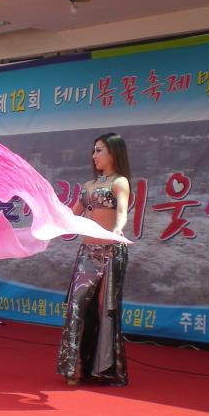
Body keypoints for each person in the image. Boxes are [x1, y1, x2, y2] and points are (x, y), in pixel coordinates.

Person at [57, 132, 132, 387]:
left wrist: (118, 229)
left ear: (113, 152)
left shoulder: (119, 182)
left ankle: (106, 370)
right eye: (94, 150)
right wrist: (49, 216)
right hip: (87, 254)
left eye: (99, 150)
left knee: (104, 311)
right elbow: (71, 217)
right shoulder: (88, 186)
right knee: (76, 307)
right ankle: (76, 368)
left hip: (111, 252)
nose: (94, 155)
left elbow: (122, 211)